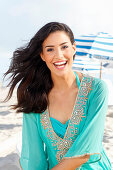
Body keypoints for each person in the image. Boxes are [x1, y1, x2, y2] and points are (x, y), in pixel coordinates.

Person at [4, 22, 112, 170]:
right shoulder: (34, 96)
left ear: (74, 48)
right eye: (50, 49)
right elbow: (33, 157)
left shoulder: (97, 89)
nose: (59, 55)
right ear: (42, 55)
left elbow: (84, 152)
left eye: (64, 47)